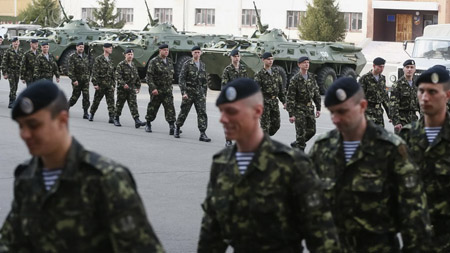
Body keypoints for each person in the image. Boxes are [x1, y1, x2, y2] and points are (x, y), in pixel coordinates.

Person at [0, 80, 165, 253]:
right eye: (21, 126)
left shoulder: (106, 179)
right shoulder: (26, 178)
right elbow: (10, 242)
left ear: (62, 119)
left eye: (34, 125)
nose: (25, 134)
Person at [197, 78, 340, 252]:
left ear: (257, 111)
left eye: (232, 112)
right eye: (221, 112)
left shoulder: (292, 165)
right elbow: (211, 235)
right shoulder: (221, 163)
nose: (223, 119)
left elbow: (322, 236)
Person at [309, 77, 432, 252]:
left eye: (343, 111)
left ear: (363, 106)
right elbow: (307, 207)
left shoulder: (390, 149)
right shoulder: (322, 149)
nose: (336, 119)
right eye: (332, 112)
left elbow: (414, 215)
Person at [400, 65, 450, 252]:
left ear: (447, 95)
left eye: (432, 92)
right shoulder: (407, 137)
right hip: (415, 238)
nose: (425, 97)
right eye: (421, 91)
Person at [174, 46, 210, 142]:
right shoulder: (187, 64)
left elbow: (204, 80)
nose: (197, 54)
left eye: (198, 52)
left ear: (201, 53)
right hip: (189, 92)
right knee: (184, 111)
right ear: (192, 53)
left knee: (202, 113)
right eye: (195, 52)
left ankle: (202, 133)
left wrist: (204, 93)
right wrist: (183, 92)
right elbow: (181, 79)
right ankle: (177, 128)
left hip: (199, 93)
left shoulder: (202, 65)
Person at [286, 56, 321, 150]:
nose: (306, 64)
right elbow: (290, 98)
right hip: (299, 109)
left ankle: (297, 143)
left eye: (308, 62)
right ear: (299, 64)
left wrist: (318, 108)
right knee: (300, 133)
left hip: (310, 109)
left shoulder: (312, 77)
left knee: (312, 131)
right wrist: (291, 114)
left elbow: (316, 93)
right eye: (304, 62)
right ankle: (300, 154)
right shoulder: (295, 79)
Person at [144, 44, 176, 134]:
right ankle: (148, 123)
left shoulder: (169, 61)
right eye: (164, 50)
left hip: (167, 90)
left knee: (170, 107)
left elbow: (171, 74)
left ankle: (172, 126)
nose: (166, 51)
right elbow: (149, 77)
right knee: (153, 107)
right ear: (160, 51)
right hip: (157, 90)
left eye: (167, 50)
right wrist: (153, 88)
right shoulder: (154, 61)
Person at [253, 52, 286, 136]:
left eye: (272, 59)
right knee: (265, 127)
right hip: (264, 103)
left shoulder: (276, 73)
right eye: (268, 59)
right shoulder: (259, 74)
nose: (271, 61)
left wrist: (284, 101)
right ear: (263, 60)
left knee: (276, 125)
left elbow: (281, 89)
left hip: (274, 102)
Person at [221, 49, 248, 146]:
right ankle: (228, 140)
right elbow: (224, 86)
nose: (236, 58)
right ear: (231, 57)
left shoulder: (243, 69)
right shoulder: (227, 70)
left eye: (238, 56)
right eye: (234, 56)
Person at [113, 48, 146, 128]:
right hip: (123, 89)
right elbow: (118, 76)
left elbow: (136, 76)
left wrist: (138, 86)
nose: (130, 56)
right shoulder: (121, 64)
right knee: (119, 104)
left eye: (131, 54)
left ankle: (137, 120)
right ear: (125, 55)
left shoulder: (133, 65)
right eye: (129, 54)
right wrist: (123, 84)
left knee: (133, 104)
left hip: (131, 88)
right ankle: (116, 118)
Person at [389, 59, 420, 133]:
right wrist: (396, 122)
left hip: (413, 120)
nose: (409, 69)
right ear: (403, 69)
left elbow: (420, 104)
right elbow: (393, 105)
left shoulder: (416, 85)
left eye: (412, 67)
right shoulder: (397, 85)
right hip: (401, 120)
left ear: (415, 69)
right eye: (407, 67)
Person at [358, 57, 390, 127]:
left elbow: (385, 97)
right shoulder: (365, 78)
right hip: (367, 112)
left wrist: (390, 115)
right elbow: (359, 97)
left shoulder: (382, 79)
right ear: (374, 66)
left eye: (383, 67)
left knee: (380, 134)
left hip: (378, 113)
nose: (381, 69)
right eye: (379, 66)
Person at [89, 43, 116, 123]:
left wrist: (113, 84)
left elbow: (112, 73)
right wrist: (95, 83)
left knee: (111, 102)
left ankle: (111, 117)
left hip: (109, 84)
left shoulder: (110, 59)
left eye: (111, 48)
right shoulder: (99, 59)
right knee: (96, 100)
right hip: (101, 84)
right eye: (110, 48)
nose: (111, 49)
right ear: (105, 49)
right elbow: (95, 72)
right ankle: (92, 114)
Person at [68, 42, 91, 119]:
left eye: (82, 47)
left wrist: (88, 79)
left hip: (85, 81)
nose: (81, 48)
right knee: (75, 97)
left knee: (86, 96)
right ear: (76, 47)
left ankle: (85, 112)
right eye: (80, 47)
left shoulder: (85, 56)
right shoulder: (72, 57)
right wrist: (74, 80)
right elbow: (70, 70)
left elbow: (88, 68)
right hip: (77, 81)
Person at [1, 37, 23, 108]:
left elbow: (22, 63)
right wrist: (4, 73)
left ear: (19, 43)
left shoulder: (20, 51)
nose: (16, 43)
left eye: (17, 42)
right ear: (12, 43)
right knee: (12, 86)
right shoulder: (8, 51)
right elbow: (4, 63)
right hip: (10, 71)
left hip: (17, 71)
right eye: (14, 42)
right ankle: (11, 102)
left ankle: (13, 100)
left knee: (15, 86)